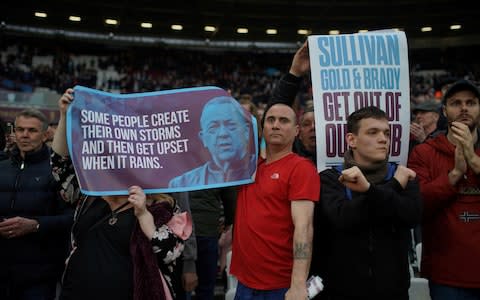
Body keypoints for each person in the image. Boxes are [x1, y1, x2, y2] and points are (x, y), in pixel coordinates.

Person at [52, 88, 192, 300]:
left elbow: (170, 253)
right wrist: (64, 116)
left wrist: (144, 215)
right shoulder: (91, 191)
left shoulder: (161, 204)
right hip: (75, 290)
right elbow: (60, 167)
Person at [316, 106, 422, 300]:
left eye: (386, 133)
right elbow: (343, 218)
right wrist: (392, 186)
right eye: (373, 132)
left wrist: (370, 191)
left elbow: (411, 216)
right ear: (351, 140)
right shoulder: (330, 178)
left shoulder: (405, 176)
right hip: (339, 293)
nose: (383, 139)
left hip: (393, 293)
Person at [230, 103, 320, 300]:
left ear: (297, 131)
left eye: (283, 120)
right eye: (270, 120)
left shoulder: (301, 168)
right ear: (263, 128)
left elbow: (304, 227)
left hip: (281, 286)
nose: (276, 125)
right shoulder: (248, 169)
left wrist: (297, 284)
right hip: (245, 283)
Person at [408, 79, 480, 300]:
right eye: (456, 103)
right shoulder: (424, 153)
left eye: (471, 102)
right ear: (444, 111)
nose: (464, 108)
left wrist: (472, 158)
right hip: (446, 275)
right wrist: (455, 175)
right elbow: (416, 206)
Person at [0, 108, 74, 299]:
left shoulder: (58, 172)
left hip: (39, 275)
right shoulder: (2, 167)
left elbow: (72, 217)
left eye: (32, 130)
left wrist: (36, 225)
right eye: (20, 129)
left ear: (45, 134)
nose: (24, 135)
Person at [169, 96, 256, 188]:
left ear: (246, 131)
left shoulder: (261, 170)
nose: (223, 133)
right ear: (203, 138)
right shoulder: (182, 184)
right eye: (213, 127)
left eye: (231, 125)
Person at [182, 187, 237, 300]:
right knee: (206, 289)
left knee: (183, 287)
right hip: (207, 228)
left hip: (182, 230)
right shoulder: (217, 168)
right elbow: (230, 197)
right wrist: (229, 222)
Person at [270, 41, 317, 164]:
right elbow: (276, 110)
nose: (313, 128)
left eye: (317, 124)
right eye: (306, 124)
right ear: (297, 132)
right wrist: (294, 74)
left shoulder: (344, 164)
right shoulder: (286, 157)